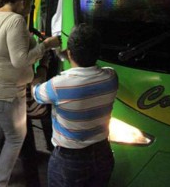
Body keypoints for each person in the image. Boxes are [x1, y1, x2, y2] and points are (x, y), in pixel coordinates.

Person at [0, 0, 60, 187]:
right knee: (15, 138)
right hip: (4, 93)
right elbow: (20, 61)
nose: (29, 9)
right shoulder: (15, 21)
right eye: (30, 4)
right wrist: (45, 46)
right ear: (22, 1)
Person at [32, 24, 118, 187]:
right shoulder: (111, 77)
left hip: (70, 160)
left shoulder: (58, 86)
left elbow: (36, 92)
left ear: (70, 53)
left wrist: (43, 66)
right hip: (103, 154)